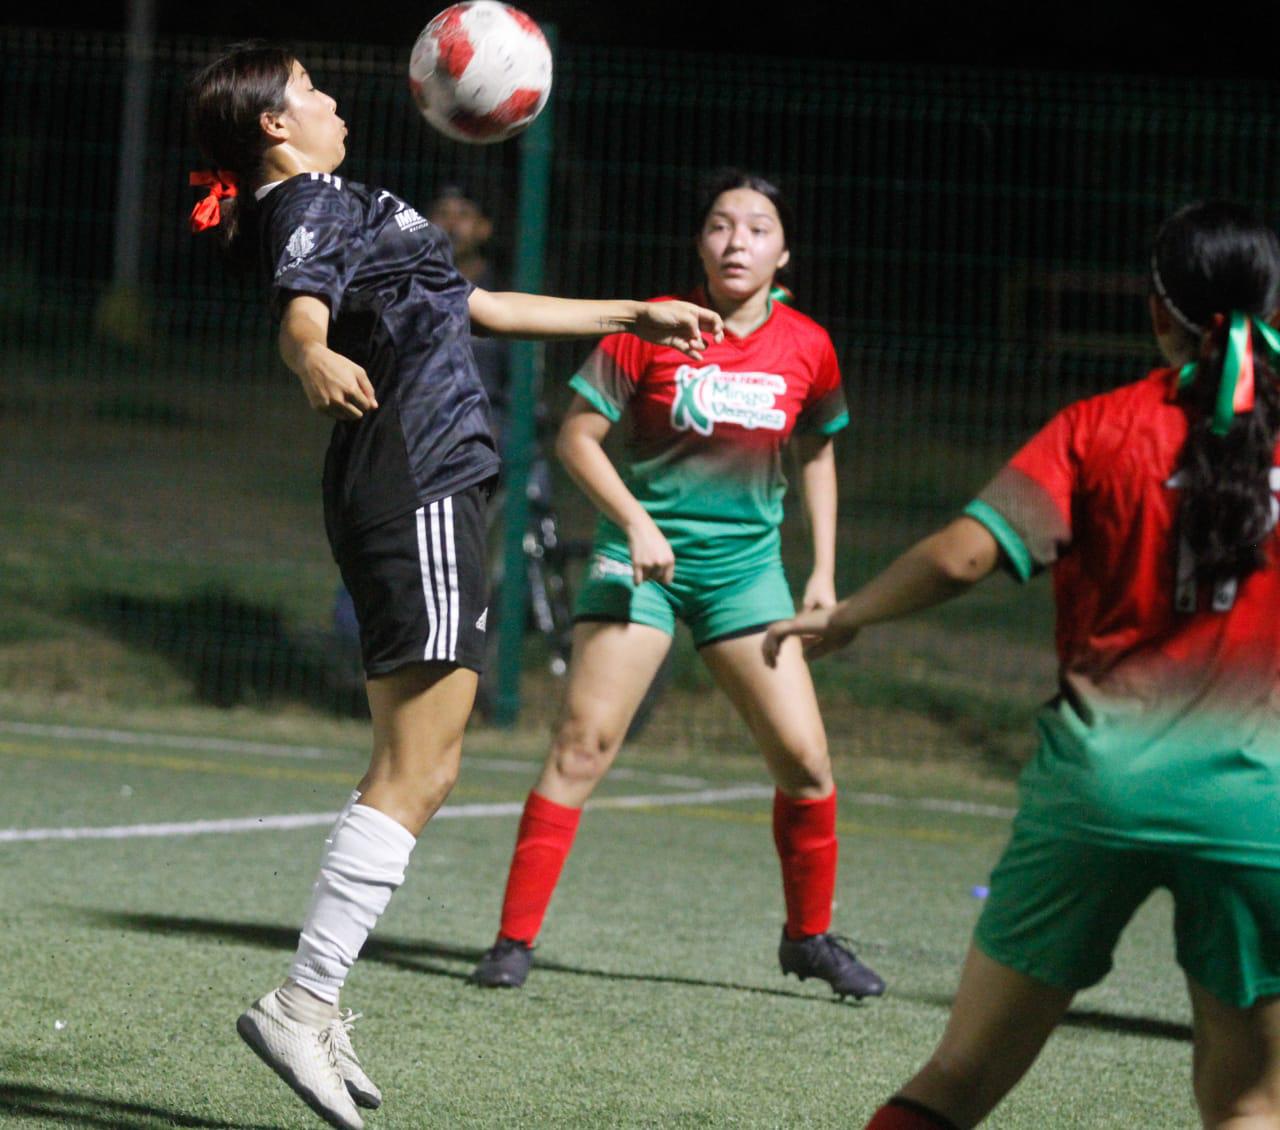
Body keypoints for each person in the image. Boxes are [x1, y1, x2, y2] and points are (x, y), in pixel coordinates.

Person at [187, 42, 722, 1130]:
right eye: (311, 89)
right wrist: (309, 356)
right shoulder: (309, 202)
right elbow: (301, 305)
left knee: (419, 765)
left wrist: (629, 309)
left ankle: (312, 997)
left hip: (420, 480)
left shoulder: (349, 201)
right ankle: (304, 998)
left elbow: (473, 309)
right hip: (416, 477)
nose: (334, 98)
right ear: (277, 128)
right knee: (420, 767)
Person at [763, 200, 1280, 1130]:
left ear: (1156, 313)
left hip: (1097, 789)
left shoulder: (1102, 427)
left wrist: (850, 615)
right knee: (1249, 1099)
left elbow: (965, 555)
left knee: (958, 1079)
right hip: (1258, 805)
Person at [469, 168, 886, 1002]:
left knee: (805, 762)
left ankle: (807, 939)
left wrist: (826, 574)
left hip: (747, 576)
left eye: (758, 228)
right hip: (639, 563)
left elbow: (820, 450)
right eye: (722, 225)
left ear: (784, 249)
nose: (738, 242)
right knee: (581, 745)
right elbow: (579, 440)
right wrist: (635, 521)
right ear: (700, 242)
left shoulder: (807, 345)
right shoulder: (651, 329)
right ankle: (513, 941)